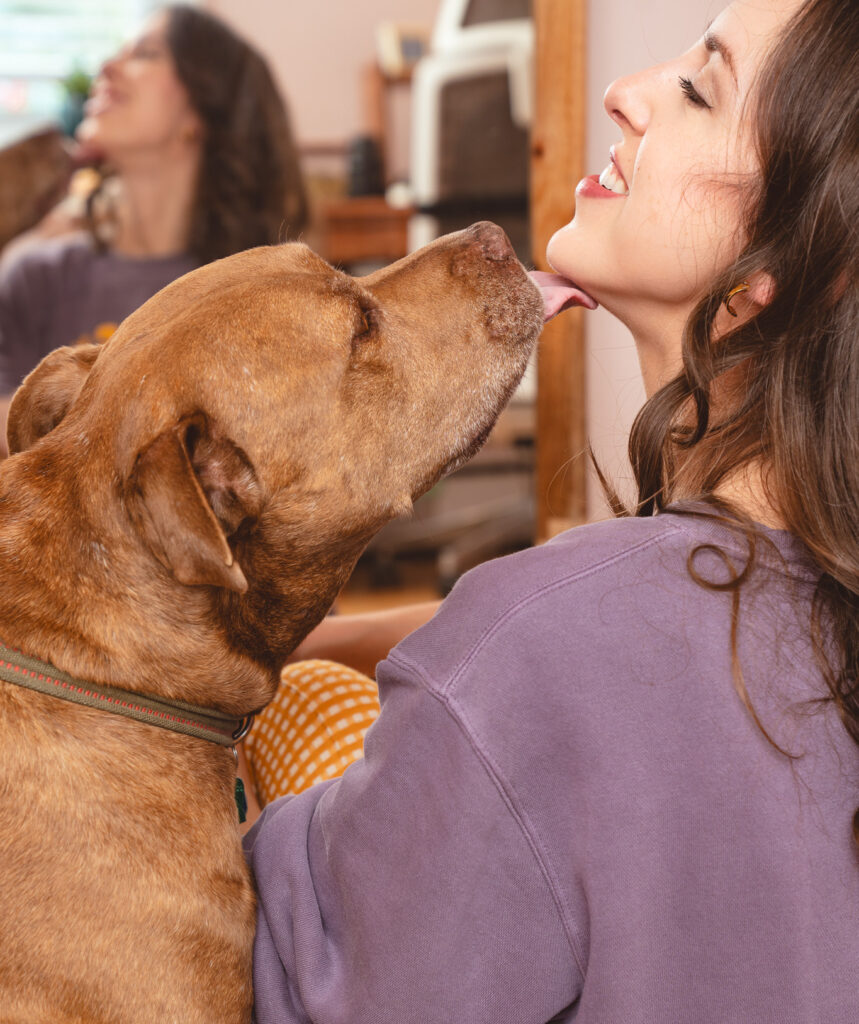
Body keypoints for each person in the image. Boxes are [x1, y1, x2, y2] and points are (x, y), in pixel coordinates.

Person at [241, 0, 859, 1020]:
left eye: (699, 90)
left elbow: (266, 972)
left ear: (764, 282)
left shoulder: (539, 649)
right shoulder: (597, 638)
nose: (625, 93)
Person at [0, 4, 307, 455]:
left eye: (145, 54)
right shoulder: (36, 275)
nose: (106, 67)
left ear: (200, 112)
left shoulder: (252, 298)